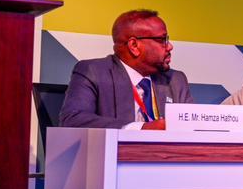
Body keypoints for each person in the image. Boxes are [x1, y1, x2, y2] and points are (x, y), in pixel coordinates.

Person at [59, 9, 194, 130]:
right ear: (134, 46)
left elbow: (193, 127)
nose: (169, 46)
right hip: (114, 150)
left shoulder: (175, 80)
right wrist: (141, 128)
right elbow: (73, 120)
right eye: (162, 40)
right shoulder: (94, 72)